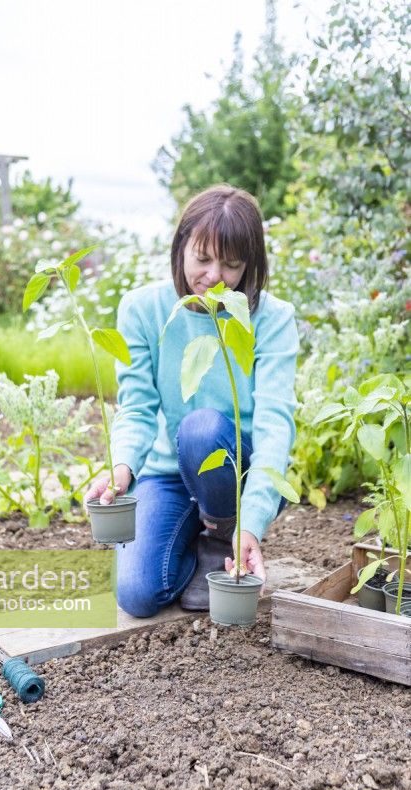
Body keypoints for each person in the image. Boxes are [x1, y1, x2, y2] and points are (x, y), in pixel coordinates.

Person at [84, 184, 299, 617]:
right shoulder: (143, 309)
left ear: (249, 265)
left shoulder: (272, 319)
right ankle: (193, 540)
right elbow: (138, 406)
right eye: (202, 258)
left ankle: (223, 535)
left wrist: (251, 522)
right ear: (180, 247)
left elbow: (276, 427)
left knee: (203, 428)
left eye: (232, 264)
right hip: (169, 474)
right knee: (137, 595)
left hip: (236, 470)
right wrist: (121, 466)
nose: (214, 276)